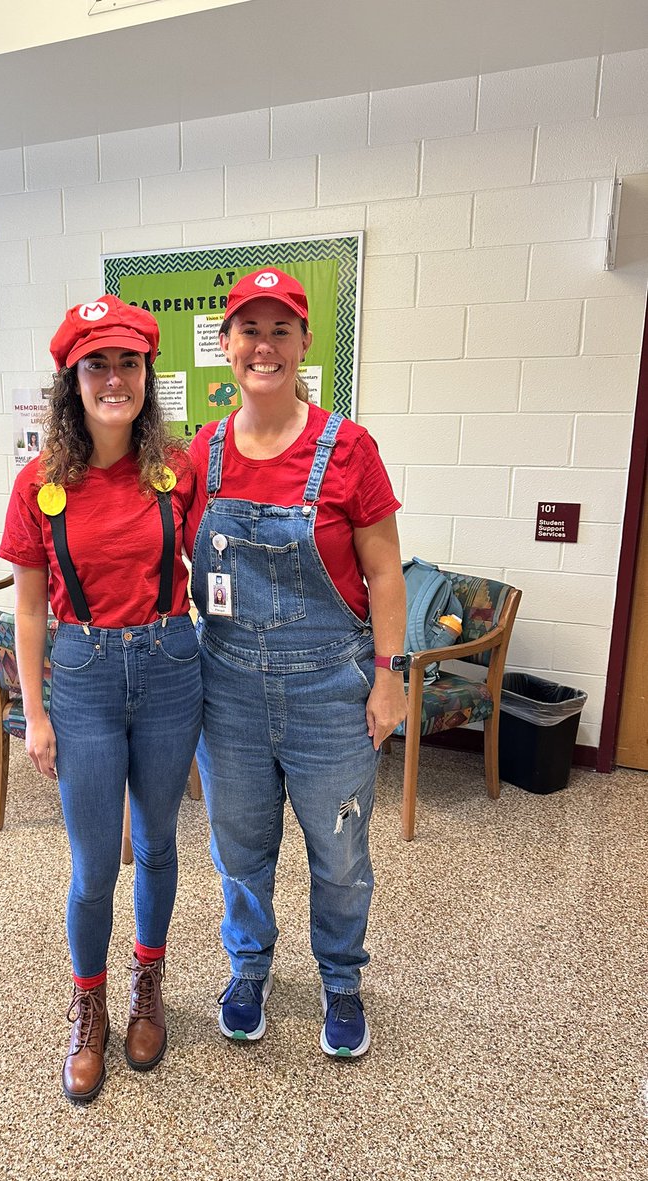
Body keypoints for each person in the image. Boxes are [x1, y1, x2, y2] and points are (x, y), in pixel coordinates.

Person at [184, 268, 407, 1058]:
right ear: (226, 346)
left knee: (340, 855)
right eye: (250, 329)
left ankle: (341, 981)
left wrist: (391, 673)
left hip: (330, 692)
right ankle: (249, 968)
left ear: (306, 343)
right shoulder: (199, 454)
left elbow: (385, 570)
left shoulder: (348, 449)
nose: (265, 345)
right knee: (240, 849)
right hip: (227, 691)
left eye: (282, 330)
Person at [0, 296, 202, 1103]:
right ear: (72, 381)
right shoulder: (39, 483)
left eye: (128, 362)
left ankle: (146, 984)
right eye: (96, 365)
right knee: (92, 867)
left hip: (169, 665)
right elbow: (27, 604)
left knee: (155, 842)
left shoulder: (178, 470)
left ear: (148, 375)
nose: (113, 378)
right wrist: (36, 715)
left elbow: (220, 567)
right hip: (80, 674)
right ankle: (89, 1004)